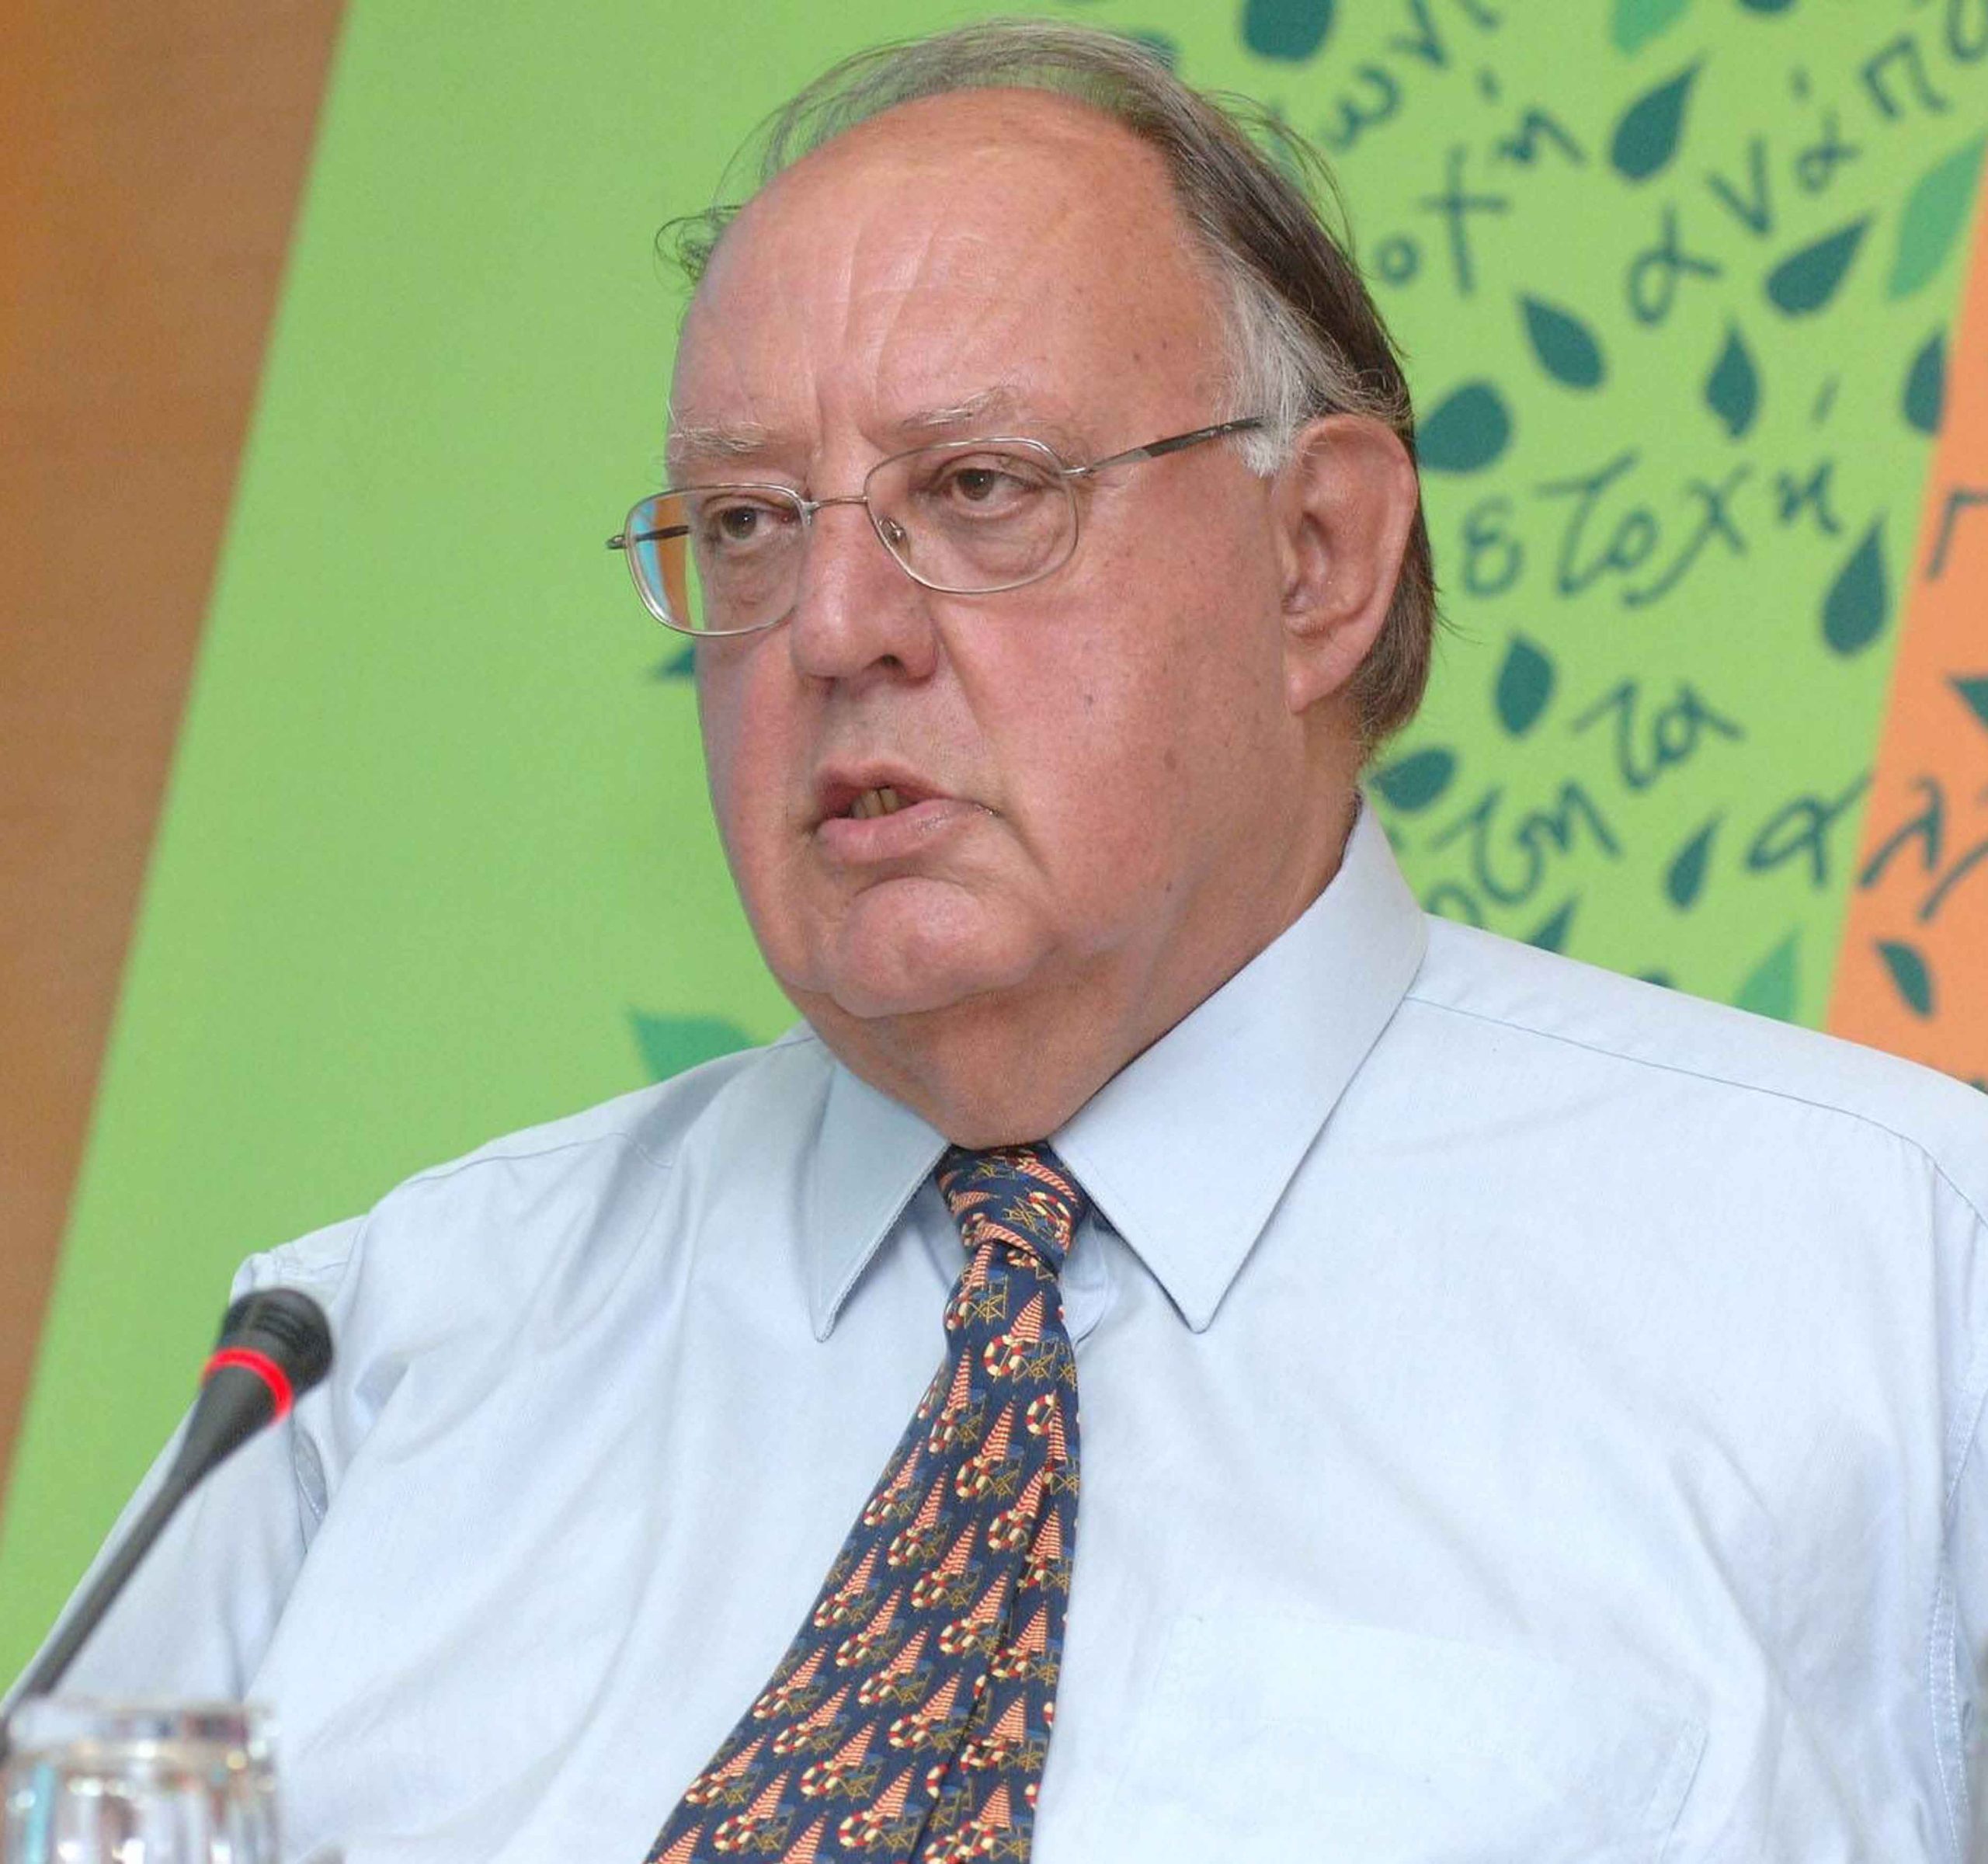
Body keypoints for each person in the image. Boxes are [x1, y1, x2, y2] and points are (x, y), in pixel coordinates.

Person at [19, 19, 1988, 1862]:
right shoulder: (356, 1362)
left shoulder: (1894, 1280)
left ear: (1314, 558)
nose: (831, 628)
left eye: (977, 491)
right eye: (748, 523)